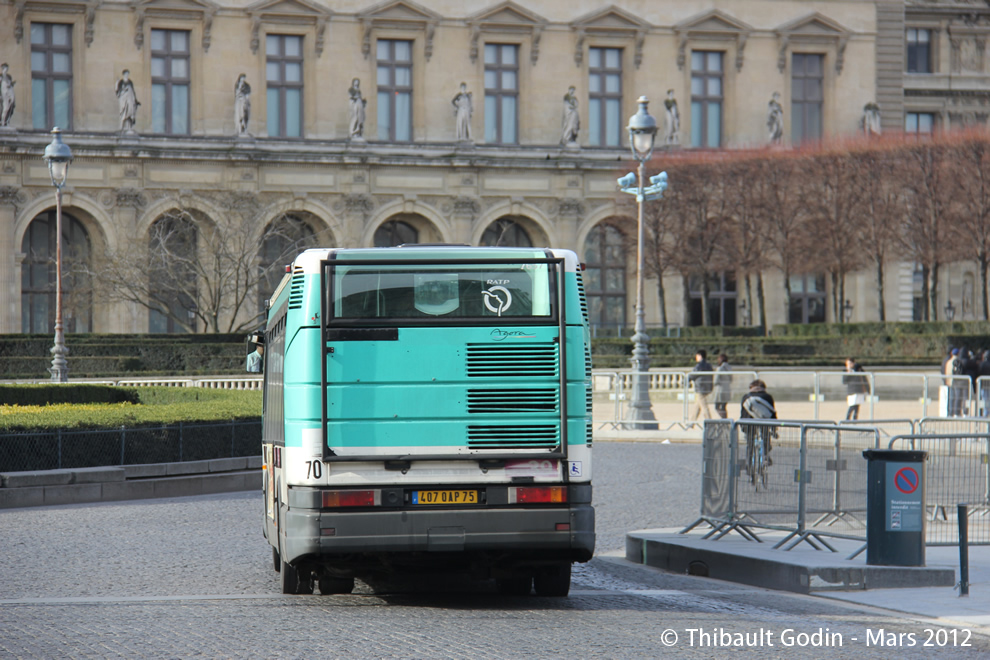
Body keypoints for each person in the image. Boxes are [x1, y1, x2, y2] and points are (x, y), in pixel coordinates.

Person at [739, 379, 777, 469]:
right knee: (765, 437)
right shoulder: (767, 397)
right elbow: (772, 412)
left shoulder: (746, 397)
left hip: (748, 424)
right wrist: (774, 429)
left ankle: (749, 463)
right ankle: (766, 456)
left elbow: (742, 414)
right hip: (764, 423)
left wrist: (742, 428)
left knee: (750, 444)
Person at [687, 349, 714, 421]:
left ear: (700, 356)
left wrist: (686, 380)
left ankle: (709, 421)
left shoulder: (699, 366)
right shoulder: (709, 365)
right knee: (697, 406)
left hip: (700, 388)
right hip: (708, 387)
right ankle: (691, 422)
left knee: (704, 406)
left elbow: (693, 375)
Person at [712, 353, 732, 419]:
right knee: (723, 407)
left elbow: (716, 380)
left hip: (720, 390)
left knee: (717, 407)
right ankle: (725, 420)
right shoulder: (729, 368)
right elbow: (731, 379)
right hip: (727, 389)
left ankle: (724, 420)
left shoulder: (720, 368)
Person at [0, 63, 14, 127]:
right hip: (4, 93)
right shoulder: (1, 77)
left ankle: (6, 121)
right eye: (5, 68)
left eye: (6, 68)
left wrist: (11, 84)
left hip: (9, 92)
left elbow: (10, 84)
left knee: (11, 104)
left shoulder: (9, 76)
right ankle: (3, 122)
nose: (6, 69)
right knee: (5, 108)